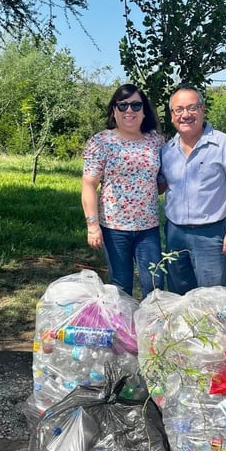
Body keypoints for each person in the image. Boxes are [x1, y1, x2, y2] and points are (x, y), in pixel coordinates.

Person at [159, 85, 226, 294]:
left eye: (192, 107)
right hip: (175, 232)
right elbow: (161, 186)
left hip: (210, 235)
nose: (186, 114)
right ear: (172, 115)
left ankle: (211, 327)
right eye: (179, 109)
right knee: (177, 293)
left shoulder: (225, 145)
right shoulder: (166, 151)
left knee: (212, 296)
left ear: (202, 110)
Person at [81, 83, 164, 298]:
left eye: (136, 105)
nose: (129, 111)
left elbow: (163, 178)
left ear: (144, 111)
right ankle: (123, 330)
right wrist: (92, 225)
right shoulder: (101, 142)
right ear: (114, 111)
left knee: (155, 284)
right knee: (120, 287)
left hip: (149, 227)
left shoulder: (156, 141)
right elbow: (89, 184)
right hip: (114, 228)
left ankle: (152, 330)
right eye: (123, 105)